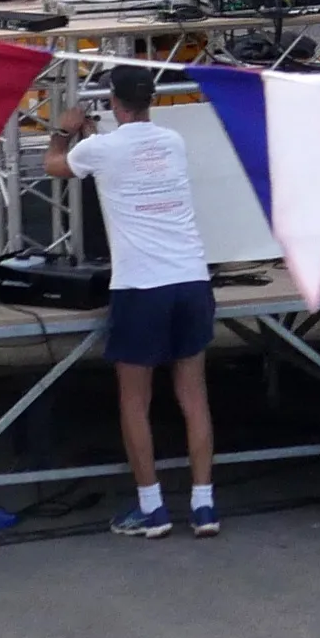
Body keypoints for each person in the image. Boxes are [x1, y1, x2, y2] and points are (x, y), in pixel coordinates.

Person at [66, 65, 219, 536]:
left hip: (140, 287)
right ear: (149, 100)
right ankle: (204, 504)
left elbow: (59, 165)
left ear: (113, 101)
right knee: (193, 396)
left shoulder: (98, 148)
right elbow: (129, 156)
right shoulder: (171, 141)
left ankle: (152, 509)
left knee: (135, 401)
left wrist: (62, 130)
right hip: (191, 279)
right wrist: (92, 138)